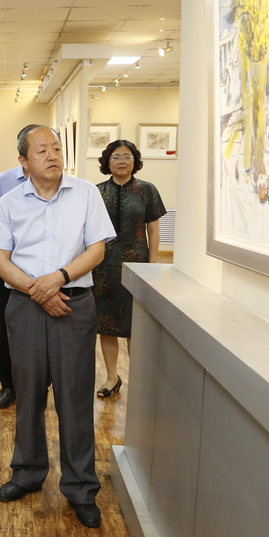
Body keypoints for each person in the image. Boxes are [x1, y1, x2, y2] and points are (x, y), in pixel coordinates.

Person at [0, 125, 115, 529]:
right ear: (23, 161)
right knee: (27, 393)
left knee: (74, 397)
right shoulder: (10, 201)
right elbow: (0, 260)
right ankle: (27, 472)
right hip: (25, 305)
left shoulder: (86, 194)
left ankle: (80, 487)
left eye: (57, 148)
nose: (52, 155)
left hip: (73, 305)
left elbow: (97, 249)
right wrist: (37, 290)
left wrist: (58, 278)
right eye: (41, 150)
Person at [91, 139, 166, 399]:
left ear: (135, 161)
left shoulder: (147, 190)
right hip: (104, 266)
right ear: (107, 161)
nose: (121, 161)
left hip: (137, 264)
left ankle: (139, 380)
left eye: (127, 156)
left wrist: (152, 265)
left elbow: (153, 229)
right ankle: (112, 377)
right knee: (106, 324)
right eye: (116, 157)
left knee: (135, 325)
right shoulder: (97, 192)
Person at [0, 125, 38, 409]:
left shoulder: (62, 185)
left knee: (40, 330)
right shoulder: (5, 181)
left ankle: (37, 383)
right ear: (22, 155)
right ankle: (8, 383)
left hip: (43, 271)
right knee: (8, 326)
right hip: (7, 269)